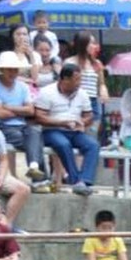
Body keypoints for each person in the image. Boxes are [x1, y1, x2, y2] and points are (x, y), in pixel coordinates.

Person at [0, 51, 47, 188]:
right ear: (1, 70)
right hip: (2, 127)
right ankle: (39, 178)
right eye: (9, 69)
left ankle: (34, 168)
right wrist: (20, 110)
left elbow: (31, 111)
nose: (13, 72)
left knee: (35, 131)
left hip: (22, 125)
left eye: (15, 69)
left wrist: (8, 107)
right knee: (34, 142)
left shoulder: (23, 87)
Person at [33, 66, 97, 195]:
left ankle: (85, 181)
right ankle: (75, 181)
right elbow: (39, 117)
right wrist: (62, 123)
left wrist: (82, 122)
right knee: (63, 144)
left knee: (93, 145)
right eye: (77, 80)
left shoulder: (82, 93)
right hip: (52, 130)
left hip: (75, 131)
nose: (79, 83)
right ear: (65, 79)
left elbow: (89, 115)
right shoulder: (47, 92)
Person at [65, 31, 107, 137]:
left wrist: (103, 89)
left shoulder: (96, 63)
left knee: (91, 135)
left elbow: (101, 83)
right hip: (74, 101)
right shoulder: (69, 62)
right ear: (83, 45)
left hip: (92, 102)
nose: (95, 46)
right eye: (91, 43)